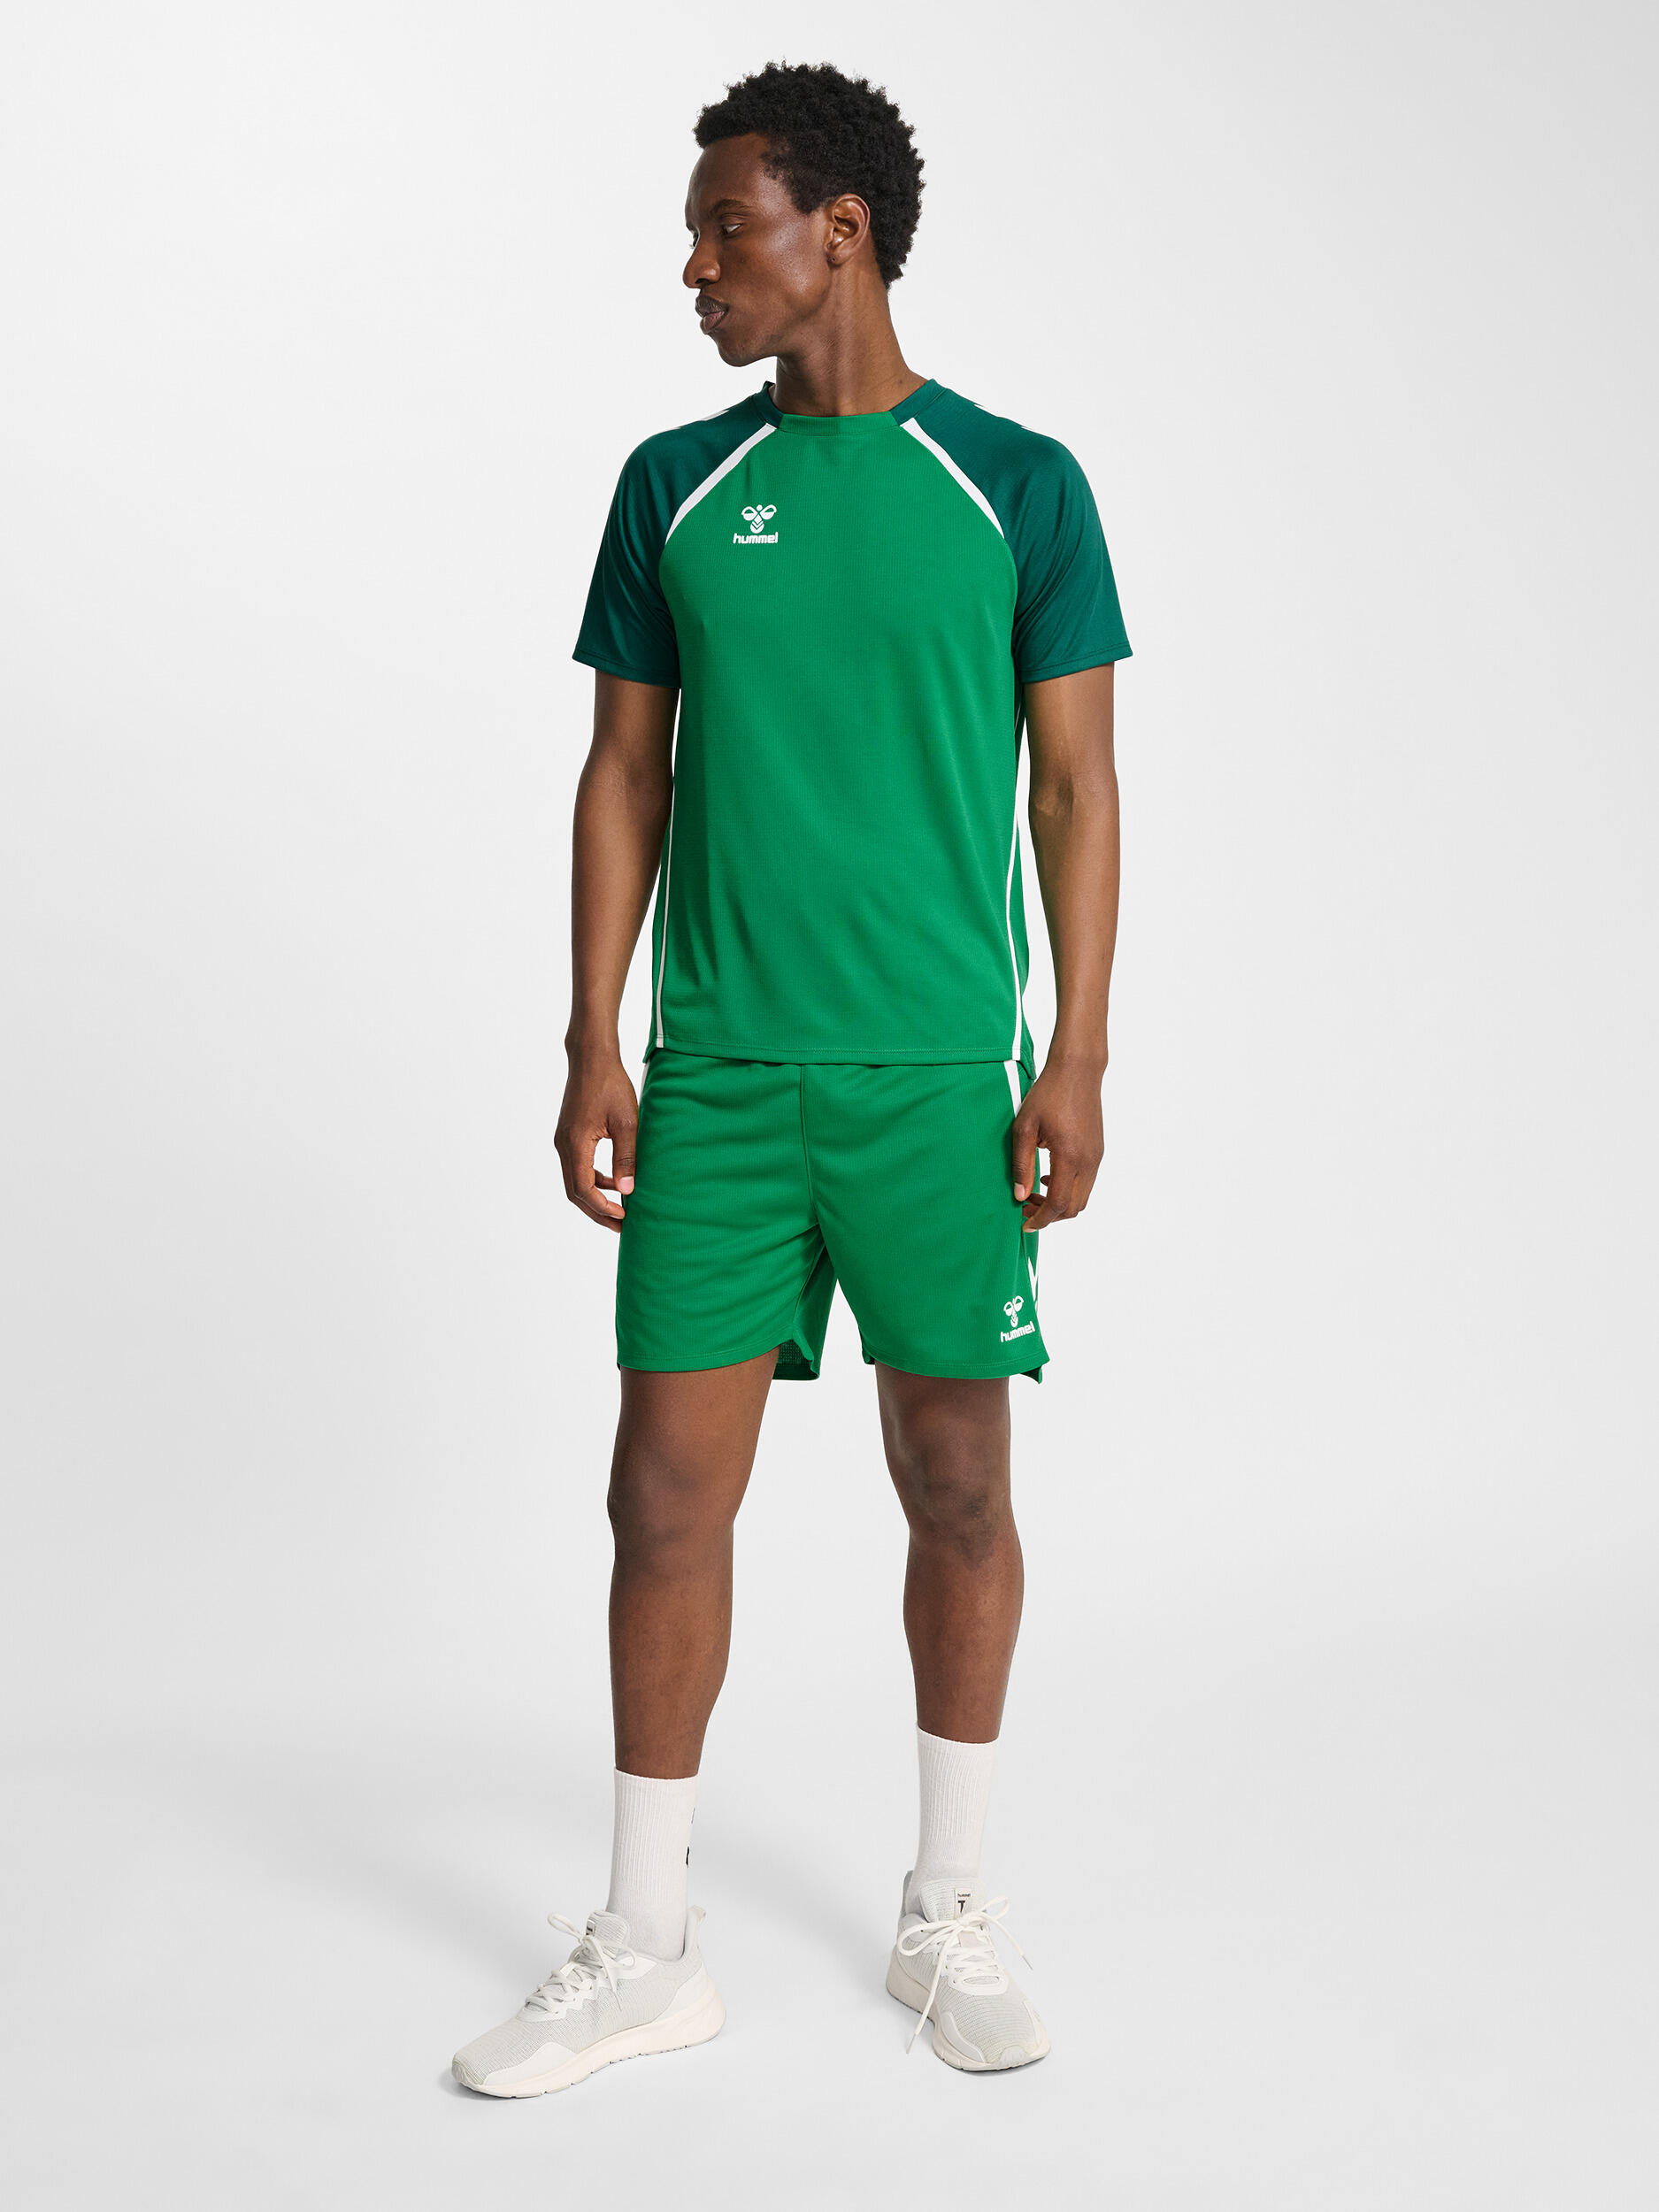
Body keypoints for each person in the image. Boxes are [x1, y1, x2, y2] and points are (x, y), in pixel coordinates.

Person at [453, 59, 1129, 2096]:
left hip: (933, 1076)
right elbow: (622, 772)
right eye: (694, 232)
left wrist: (1076, 1055)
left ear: (838, 231)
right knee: (660, 1490)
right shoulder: (669, 485)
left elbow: (1076, 788)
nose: (693, 266)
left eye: (722, 227)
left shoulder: (1015, 484)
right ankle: (646, 1940)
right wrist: (592, 1030)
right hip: (722, 1073)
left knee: (959, 1480)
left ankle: (947, 1903)